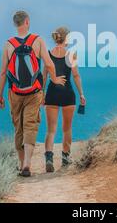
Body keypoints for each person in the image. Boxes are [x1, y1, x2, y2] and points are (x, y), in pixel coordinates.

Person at [0, 10, 66, 178]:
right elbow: (49, 64)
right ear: (27, 21)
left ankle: (21, 165)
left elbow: (3, 73)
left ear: (15, 24)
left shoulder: (8, 44)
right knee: (30, 125)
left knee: (18, 127)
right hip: (34, 92)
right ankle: (27, 163)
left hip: (15, 93)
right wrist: (55, 80)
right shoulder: (37, 41)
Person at [43, 26, 86, 173]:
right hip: (67, 94)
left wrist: (42, 94)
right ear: (66, 38)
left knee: (51, 130)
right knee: (67, 128)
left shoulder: (48, 54)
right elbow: (76, 76)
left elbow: (43, 76)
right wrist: (81, 94)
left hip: (52, 94)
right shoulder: (71, 54)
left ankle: (48, 158)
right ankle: (65, 157)